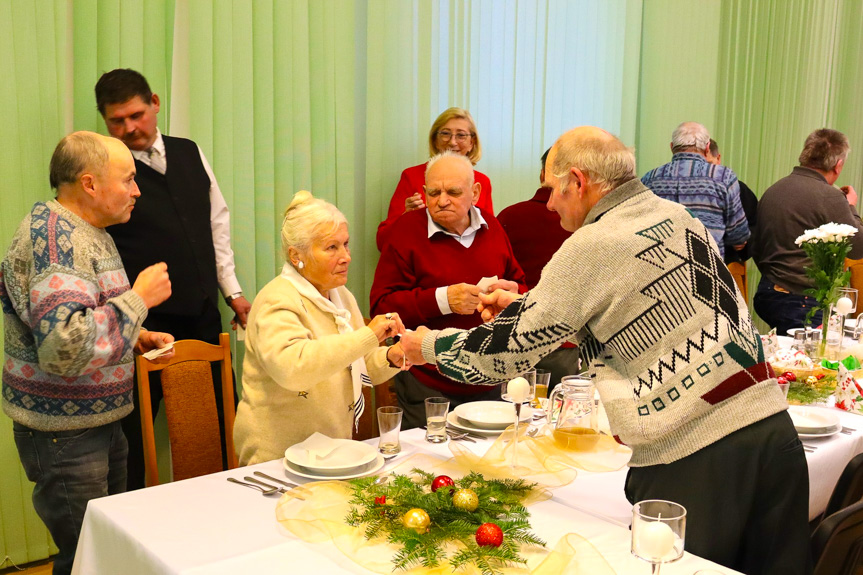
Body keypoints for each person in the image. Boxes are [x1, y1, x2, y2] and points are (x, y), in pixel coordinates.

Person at [401, 127, 810, 574]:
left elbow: (499, 358)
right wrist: (524, 308)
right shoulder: (676, 216)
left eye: (553, 189)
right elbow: (645, 314)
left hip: (697, 457)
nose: (550, 203)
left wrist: (424, 345)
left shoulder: (590, 246)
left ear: (578, 181)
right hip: (773, 432)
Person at [1, 132, 174, 575]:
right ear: (90, 184)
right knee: (88, 561)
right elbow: (63, 349)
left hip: (96, 422)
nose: (137, 191)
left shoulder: (87, 230)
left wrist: (137, 334)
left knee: (108, 553)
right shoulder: (56, 239)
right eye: (129, 179)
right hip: (66, 434)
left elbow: (87, 313)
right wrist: (139, 301)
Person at [95, 69, 249, 489]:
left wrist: (232, 292)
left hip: (201, 313)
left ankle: (225, 507)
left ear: (155, 103)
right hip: (140, 325)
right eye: (117, 121)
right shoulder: (104, 172)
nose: (130, 128)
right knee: (131, 436)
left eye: (136, 115)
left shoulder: (189, 151)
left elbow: (217, 223)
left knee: (218, 422)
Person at [233, 191, 407, 465]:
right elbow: (294, 369)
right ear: (296, 255)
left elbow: (356, 365)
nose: (346, 257)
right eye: (331, 248)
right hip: (277, 459)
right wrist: (368, 335)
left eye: (346, 244)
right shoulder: (277, 300)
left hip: (332, 454)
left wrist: (391, 356)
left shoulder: (340, 295)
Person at [370, 151, 527, 429]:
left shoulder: (493, 228)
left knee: (488, 464)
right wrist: (443, 299)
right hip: (427, 380)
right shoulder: (405, 231)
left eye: (453, 192)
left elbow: (521, 287)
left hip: (488, 375)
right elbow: (382, 307)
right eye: (434, 192)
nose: (442, 201)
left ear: (475, 192)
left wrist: (511, 289)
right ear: (423, 192)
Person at [753, 128, 863, 333]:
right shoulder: (830, 196)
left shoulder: (773, 190)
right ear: (838, 165)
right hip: (803, 301)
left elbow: (757, 247)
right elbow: (858, 248)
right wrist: (850, 206)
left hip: (768, 293)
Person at [496, 148, 578, 387]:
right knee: (561, 415)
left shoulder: (508, 217)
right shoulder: (585, 224)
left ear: (542, 174)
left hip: (516, 336)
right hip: (564, 340)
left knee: (513, 413)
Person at [376, 107, 494, 251]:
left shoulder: (482, 182)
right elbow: (383, 242)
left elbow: (489, 237)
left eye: (461, 135)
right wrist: (405, 217)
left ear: (472, 143)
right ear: (435, 140)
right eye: (445, 134)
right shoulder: (412, 176)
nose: (452, 142)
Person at [641, 122, 749, 260]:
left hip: (662, 270)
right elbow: (738, 234)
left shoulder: (650, 178)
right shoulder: (724, 177)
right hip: (707, 269)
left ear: (672, 147)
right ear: (707, 147)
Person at [706, 138, 758, 264]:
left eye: (709, 164)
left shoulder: (737, 189)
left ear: (718, 159)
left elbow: (755, 224)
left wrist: (743, 243)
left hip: (728, 264)